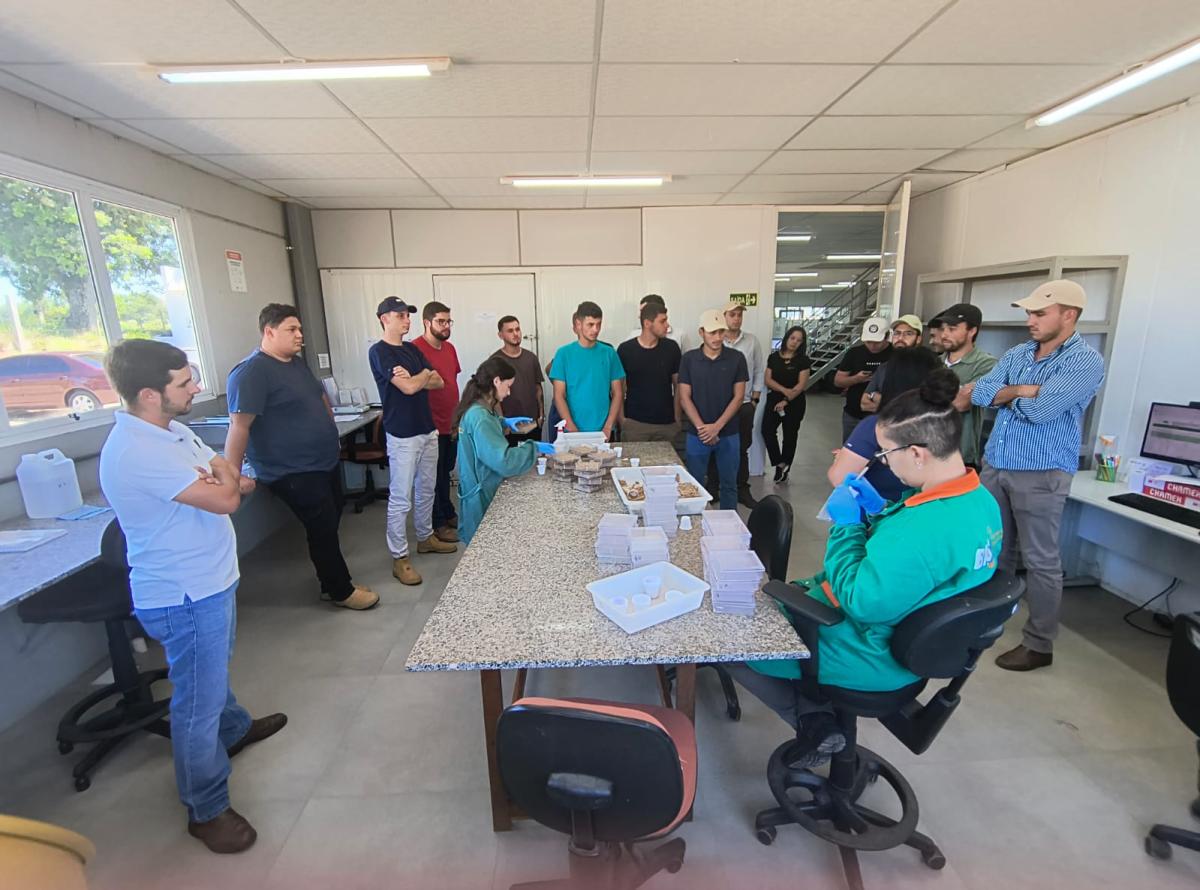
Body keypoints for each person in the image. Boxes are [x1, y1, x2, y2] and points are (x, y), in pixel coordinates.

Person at [726, 369, 1002, 765]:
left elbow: (861, 601)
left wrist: (847, 524)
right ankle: (817, 716)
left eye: (886, 454)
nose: (884, 464)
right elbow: (915, 567)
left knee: (729, 639)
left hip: (871, 652)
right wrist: (879, 512)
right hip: (917, 646)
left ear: (918, 453)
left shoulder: (921, 530)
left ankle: (814, 722)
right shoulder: (980, 501)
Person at [101, 340, 287, 854]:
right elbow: (228, 496)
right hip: (183, 594)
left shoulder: (172, 430)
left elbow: (227, 472)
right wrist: (222, 482)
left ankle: (235, 728)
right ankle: (206, 809)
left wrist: (222, 479)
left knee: (212, 672)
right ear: (149, 394)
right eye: (184, 383)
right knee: (196, 703)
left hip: (211, 579)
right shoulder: (138, 450)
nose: (196, 388)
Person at [971, 280, 1104, 672]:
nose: (1030, 320)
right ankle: (987, 620)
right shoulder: (1019, 353)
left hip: (1041, 472)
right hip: (997, 464)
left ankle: (1039, 644)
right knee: (995, 550)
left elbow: (1041, 411)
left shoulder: (1084, 361)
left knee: (1040, 560)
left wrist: (1010, 394)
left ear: (1069, 315)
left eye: (1040, 313)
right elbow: (980, 393)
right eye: (1029, 312)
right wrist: (1023, 390)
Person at [225, 304, 378, 611]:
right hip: (292, 469)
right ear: (269, 332)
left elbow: (319, 398)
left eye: (300, 329)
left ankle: (329, 583)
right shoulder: (251, 372)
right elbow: (239, 427)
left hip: (322, 461)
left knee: (331, 518)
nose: (299, 335)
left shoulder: (295, 364)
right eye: (291, 329)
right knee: (321, 526)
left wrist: (329, 429)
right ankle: (340, 590)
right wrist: (233, 474)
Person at [368, 296, 457, 588]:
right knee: (401, 497)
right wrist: (422, 376)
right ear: (384, 319)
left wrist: (419, 376)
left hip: (427, 430)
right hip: (402, 434)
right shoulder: (379, 352)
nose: (407, 320)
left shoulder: (411, 350)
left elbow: (439, 381)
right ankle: (400, 557)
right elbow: (407, 388)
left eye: (408, 315)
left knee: (427, 489)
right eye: (401, 315)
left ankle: (425, 537)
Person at [454, 356, 554, 546]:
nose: (508, 392)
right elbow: (503, 461)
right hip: (480, 494)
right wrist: (533, 448)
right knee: (483, 547)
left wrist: (503, 422)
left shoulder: (481, 409)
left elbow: (484, 434)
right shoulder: (480, 417)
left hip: (477, 487)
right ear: (496, 381)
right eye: (508, 386)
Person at [828, 347, 945, 504]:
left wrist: (841, 459)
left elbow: (839, 478)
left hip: (881, 512)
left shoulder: (877, 426)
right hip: (926, 508)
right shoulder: (943, 423)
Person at [678, 310, 749, 510]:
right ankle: (696, 524)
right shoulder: (689, 359)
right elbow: (684, 397)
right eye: (712, 332)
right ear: (701, 332)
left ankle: (729, 526)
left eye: (721, 332)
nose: (717, 337)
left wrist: (716, 427)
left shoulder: (737, 358)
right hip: (697, 434)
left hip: (728, 433)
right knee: (694, 486)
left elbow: (738, 397)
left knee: (729, 485)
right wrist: (703, 428)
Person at [412, 301, 461, 544]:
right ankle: (437, 523)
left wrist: (457, 418)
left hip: (450, 420)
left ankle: (448, 512)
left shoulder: (450, 348)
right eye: (441, 321)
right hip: (429, 424)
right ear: (427, 322)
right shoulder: (414, 349)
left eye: (448, 321)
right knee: (433, 476)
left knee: (446, 470)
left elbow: (451, 382)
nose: (446, 326)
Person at [934, 303, 998, 469]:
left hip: (960, 455)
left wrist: (926, 398)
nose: (944, 334)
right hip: (927, 451)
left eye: (952, 329)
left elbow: (962, 403)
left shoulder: (986, 364)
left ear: (972, 331)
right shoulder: (933, 363)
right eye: (943, 329)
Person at [549, 301, 625, 438]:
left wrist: (608, 426)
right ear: (578, 324)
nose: (595, 329)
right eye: (590, 324)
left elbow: (618, 392)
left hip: (604, 432)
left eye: (598, 324)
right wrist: (571, 428)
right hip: (573, 431)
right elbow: (559, 395)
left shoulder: (609, 353)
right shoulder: (563, 354)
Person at [721, 301, 766, 508]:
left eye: (739, 315)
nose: (737, 319)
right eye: (732, 315)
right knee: (717, 445)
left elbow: (758, 370)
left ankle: (742, 489)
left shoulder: (751, 341)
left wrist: (755, 399)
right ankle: (715, 487)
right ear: (724, 316)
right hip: (720, 405)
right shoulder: (716, 339)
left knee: (742, 447)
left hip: (745, 403)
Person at [617, 301, 681, 443]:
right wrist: (622, 420)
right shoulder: (626, 350)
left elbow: (678, 386)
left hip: (666, 424)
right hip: (635, 424)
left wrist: (677, 418)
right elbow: (619, 388)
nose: (667, 325)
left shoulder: (672, 348)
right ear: (647, 323)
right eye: (662, 321)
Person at [762, 325, 812, 483]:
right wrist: (784, 391)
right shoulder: (773, 357)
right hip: (774, 399)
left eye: (799, 340)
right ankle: (778, 462)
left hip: (795, 402)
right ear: (786, 338)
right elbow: (768, 379)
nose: (794, 342)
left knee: (790, 436)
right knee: (767, 430)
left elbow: (801, 385)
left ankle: (785, 466)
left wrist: (786, 400)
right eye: (792, 338)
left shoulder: (803, 360)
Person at [834, 317, 892, 442]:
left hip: (884, 417)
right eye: (868, 342)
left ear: (886, 336)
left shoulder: (895, 355)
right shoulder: (854, 353)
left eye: (876, 342)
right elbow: (838, 381)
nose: (872, 346)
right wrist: (856, 379)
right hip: (853, 414)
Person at [491, 314, 545, 446]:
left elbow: (538, 388)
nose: (515, 334)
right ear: (500, 335)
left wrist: (541, 415)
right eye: (510, 331)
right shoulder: (495, 361)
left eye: (517, 329)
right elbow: (493, 396)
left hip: (532, 425)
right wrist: (502, 422)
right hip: (510, 427)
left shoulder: (531, 358)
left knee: (534, 457)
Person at [860, 314, 922, 414]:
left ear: (918, 339)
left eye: (908, 334)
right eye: (897, 333)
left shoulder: (928, 368)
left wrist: (878, 398)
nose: (900, 338)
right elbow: (864, 403)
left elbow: (925, 407)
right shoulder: (884, 368)